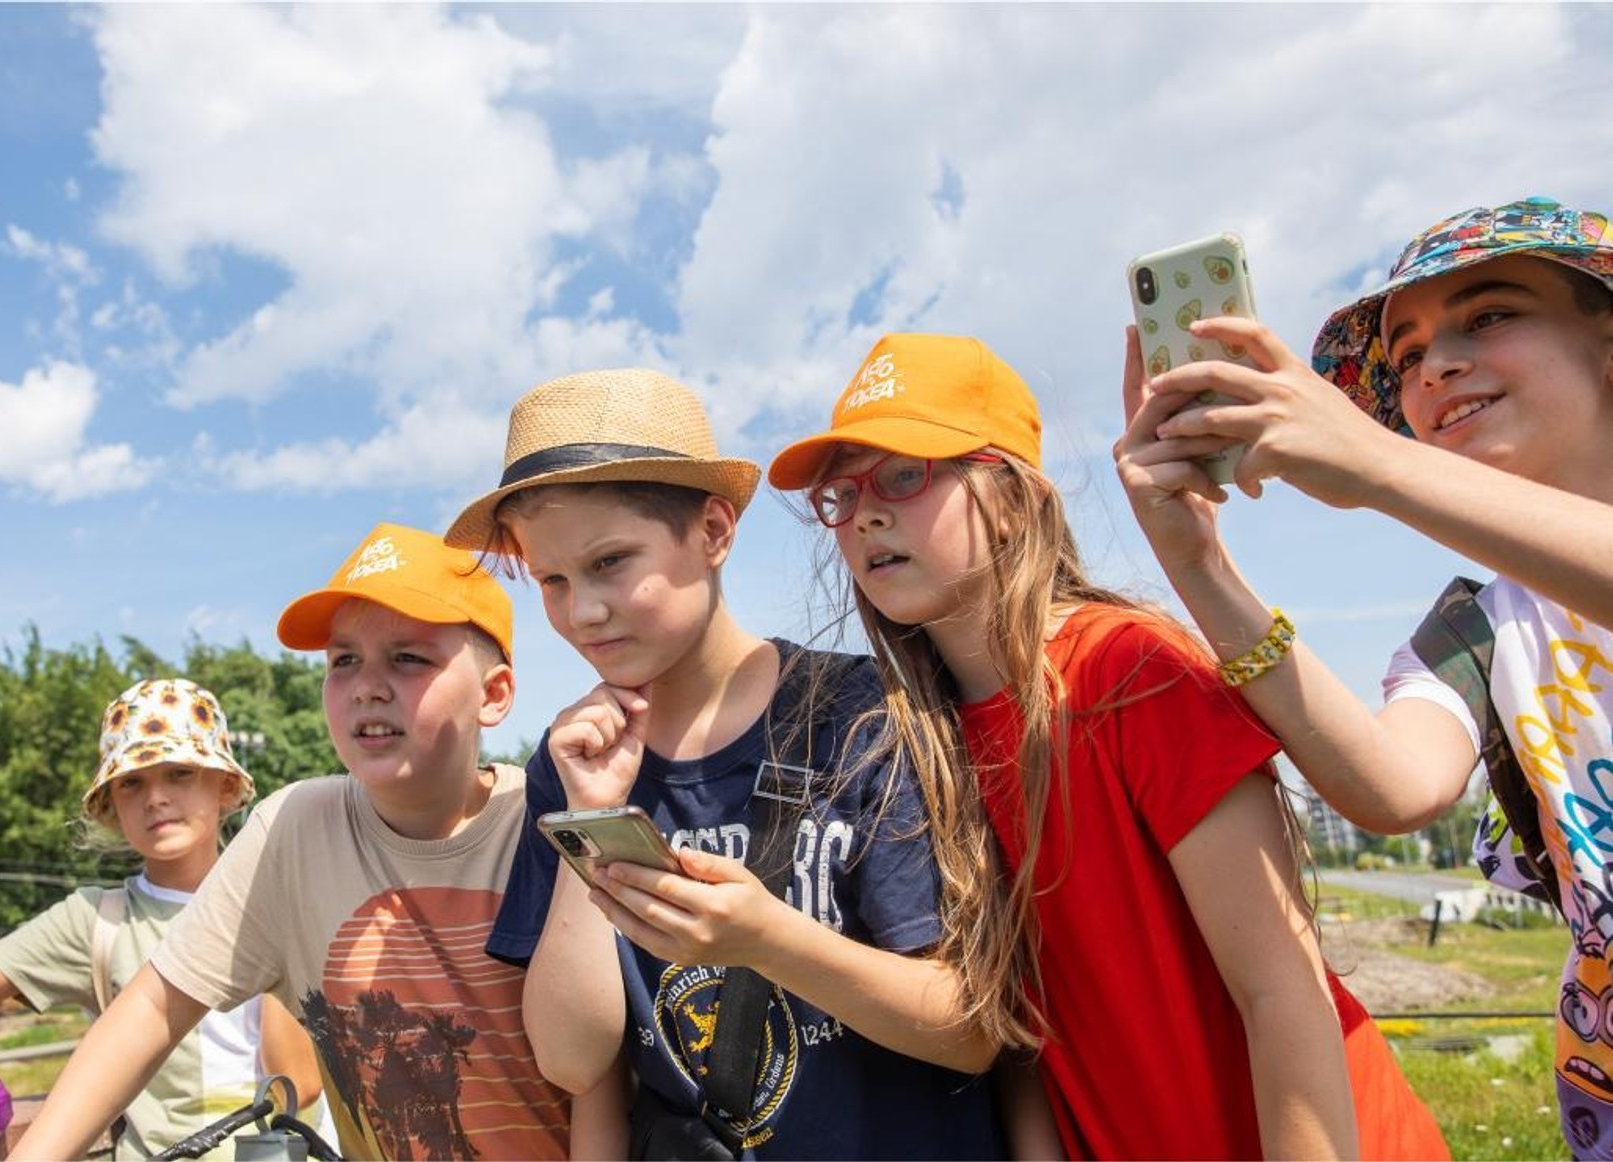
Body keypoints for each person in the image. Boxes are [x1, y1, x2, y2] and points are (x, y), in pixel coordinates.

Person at [773, 333, 1446, 1159]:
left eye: (907, 474)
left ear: (1014, 499)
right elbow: (1017, 1029)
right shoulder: (916, 735)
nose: (867, 512)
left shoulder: (1128, 669)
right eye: (840, 495)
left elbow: (1283, 990)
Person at [1114, 195, 1613, 1156]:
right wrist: (1197, 564)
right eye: (1409, 353)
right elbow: (1390, 789)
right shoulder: (1479, 624)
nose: (1437, 366)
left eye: (1491, 314)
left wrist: (1377, 465)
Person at [449, 369, 1022, 1159]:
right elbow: (575, 1061)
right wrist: (586, 818)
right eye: (552, 580)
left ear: (715, 531)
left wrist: (767, 938)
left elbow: (971, 1027)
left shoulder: (861, 717)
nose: (581, 610)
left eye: (611, 561)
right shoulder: (569, 761)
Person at [11, 524, 583, 1161]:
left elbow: (615, 1071)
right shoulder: (294, 829)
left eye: (408, 658)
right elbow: (151, 1007)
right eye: (343, 660)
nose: (367, 684)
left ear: (495, 693)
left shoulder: (556, 821)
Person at [0, 677, 322, 1158]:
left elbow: (299, 1080)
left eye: (179, 772)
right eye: (132, 782)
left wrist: (267, 911)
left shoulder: (285, 893)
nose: (155, 797)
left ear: (227, 785)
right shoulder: (96, 920)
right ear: (112, 804)